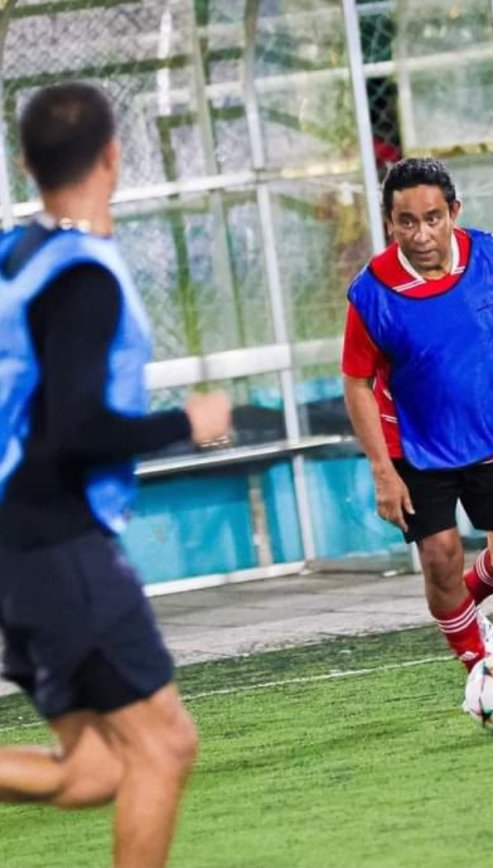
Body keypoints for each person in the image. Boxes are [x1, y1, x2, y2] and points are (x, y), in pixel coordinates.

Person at [0, 83, 231, 867]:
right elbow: (75, 432)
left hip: (15, 546)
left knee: (99, 767)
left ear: (26, 162)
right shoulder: (82, 277)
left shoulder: (12, 256)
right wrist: (186, 424)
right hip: (52, 540)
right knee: (163, 747)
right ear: (112, 156)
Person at [341, 157, 493, 676]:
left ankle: (457, 610)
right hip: (415, 448)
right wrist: (382, 471)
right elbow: (355, 381)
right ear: (389, 223)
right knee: (441, 555)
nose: (421, 233)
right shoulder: (372, 292)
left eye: (433, 217)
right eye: (407, 221)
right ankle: (485, 673)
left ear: (454, 212)